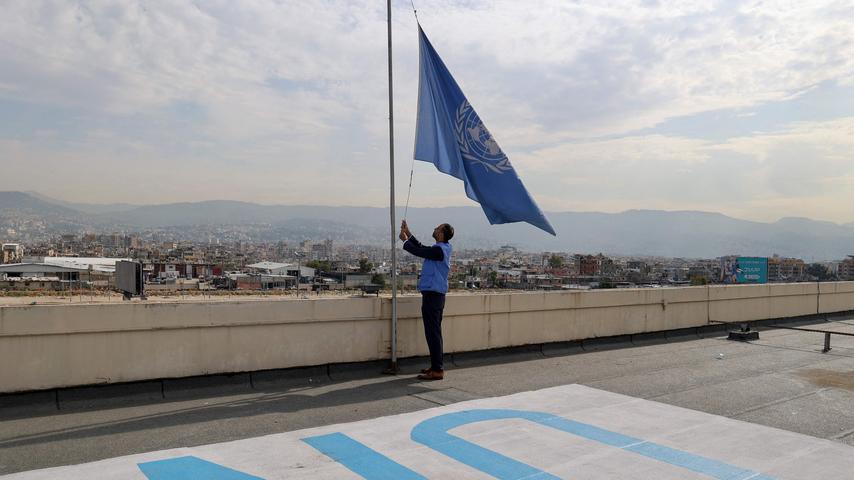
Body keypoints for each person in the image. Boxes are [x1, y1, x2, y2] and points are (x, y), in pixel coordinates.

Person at [399, 220, 453, 380]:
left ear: (442, 234)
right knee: (434, 333)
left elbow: (420, 252)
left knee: (433, 333)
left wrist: (405, 242)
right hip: (435, 294)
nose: (435, 229)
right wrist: (408, 233)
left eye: (437, 228)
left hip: (433, 295)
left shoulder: (439, 251)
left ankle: (438, 370)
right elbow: (423, 247)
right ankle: (436, 366)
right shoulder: (441, 249)